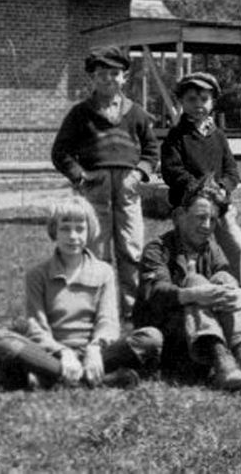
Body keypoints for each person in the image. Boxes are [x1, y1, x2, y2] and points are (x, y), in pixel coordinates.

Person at [0, 197, 164, 391]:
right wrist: (62, 352)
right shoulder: (37, 275)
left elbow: (109, 322)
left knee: (151, 337)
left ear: (90, 232)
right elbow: (37, 328)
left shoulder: (103, 272)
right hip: (51, 355)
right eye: (65, 229)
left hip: (97, 355)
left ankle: (49, 379)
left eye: (80, 228)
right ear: (54, 231)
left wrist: (95, 348)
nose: (73, 236)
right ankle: (94, 379)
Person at [133, 176, 241, 391]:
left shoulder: (211, 249)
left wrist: (239, 294)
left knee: (225, 280)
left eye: (213, 220)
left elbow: (226, 277)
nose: (207, 226)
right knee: (195, 280)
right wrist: (194, 295)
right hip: (170, 335)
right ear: (179, 216)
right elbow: (156, 292)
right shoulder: (157, 248)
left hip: (204, 333)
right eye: (200, 217)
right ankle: (222, 363)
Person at [51, 46, 159, 321]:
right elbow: (60, 152)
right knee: (95, 250)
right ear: (92, 79)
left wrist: (139, 174)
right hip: (95, 189)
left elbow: (151, 151)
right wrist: (80, 176)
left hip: (127, 188)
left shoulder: (136, 113)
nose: (108, 80)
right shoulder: (80, 114)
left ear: (125, 77)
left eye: (115, 74)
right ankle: (97, 309)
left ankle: (133, 310)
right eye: (102, 75)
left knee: (131, 248)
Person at [160, 72, 241, 273]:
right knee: (189, 252)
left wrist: (223, 187)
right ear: (181, 101)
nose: (198, 104)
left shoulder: (218, 136)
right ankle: (189, 287)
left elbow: (232, 170)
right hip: (188, 206)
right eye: (191, 99)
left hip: (220, 204)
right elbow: (172, 171)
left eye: (204, 99)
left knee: (235, 244)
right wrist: (198, 190)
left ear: (213, 102)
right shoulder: (176, 137)